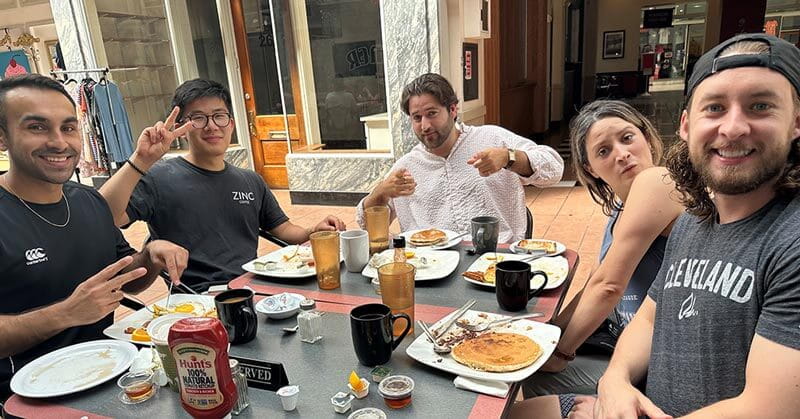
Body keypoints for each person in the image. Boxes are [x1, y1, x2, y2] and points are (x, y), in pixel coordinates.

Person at [599, 33, 800, 417]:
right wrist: (615, 380)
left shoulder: (790, 242)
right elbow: (650, 316)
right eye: (715, 108)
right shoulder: (693, 218)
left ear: (795, 123)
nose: (733, 128)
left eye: (760, 106)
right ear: (687, 126)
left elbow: (769, 409)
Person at [0, 74, 188, 400]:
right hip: (28, 401)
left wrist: (152, 254)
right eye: (37, 127)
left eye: (68, 127)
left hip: (112, 378)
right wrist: (65, 313)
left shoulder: (88, 201)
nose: (59, 142)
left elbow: (126, 281)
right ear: (2, 137)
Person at [510, 100, 685, 418]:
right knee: (535, 370)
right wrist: (550, 335)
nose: (621, 154)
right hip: (625, 346)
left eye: (627, 138)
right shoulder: (621, 206)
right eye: (603, 151)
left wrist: (561, 351)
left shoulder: (657, 182)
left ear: (646, 137)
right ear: (590, 168)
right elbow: (594, 280)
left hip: (658, 360)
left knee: (532, 388)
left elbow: (609, 286)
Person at [100, 79, 345, 292]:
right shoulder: (159, 177)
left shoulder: (251, 181)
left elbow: (285, 230)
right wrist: (140, 161)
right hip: (195, 298)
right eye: (198, 118)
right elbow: (102, 217)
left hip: (253, 289)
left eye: (219, 116)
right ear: (181, 129)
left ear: (231, 123)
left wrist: (315, 230)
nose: (211, 126)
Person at [356, 73, 564, 242]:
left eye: (432, 113)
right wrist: (380, 193)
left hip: (497, 261)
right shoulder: (406, 167)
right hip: (429, 269)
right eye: (416, 118)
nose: (425, 126)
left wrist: (509, 158)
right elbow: (369, 228)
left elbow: (554, 168)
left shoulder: (492, 138)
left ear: (453, 109)